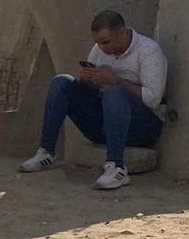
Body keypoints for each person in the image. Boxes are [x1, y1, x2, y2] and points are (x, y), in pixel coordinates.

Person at [20, 10, 168, 190]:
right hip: (103, 125)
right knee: (62, 83)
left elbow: (153, 99)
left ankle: (116, 167)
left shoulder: (148, 50)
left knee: (114, 92)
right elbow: (95, 92)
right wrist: (88, 81)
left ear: (122, 33)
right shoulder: (98, 50)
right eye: (98, 43)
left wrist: (117, 81)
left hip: (141, 128)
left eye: (106, 42)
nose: (102, 48)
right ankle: (46, 152)